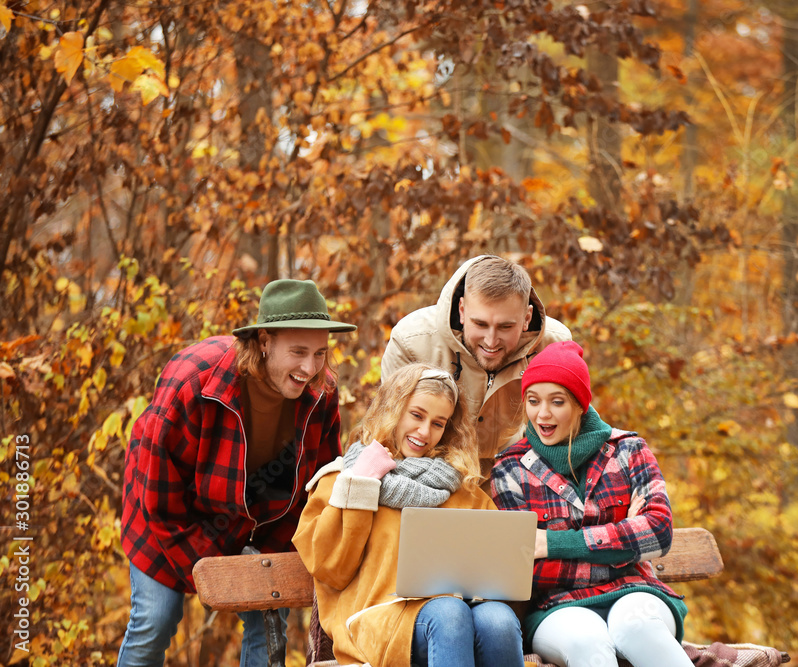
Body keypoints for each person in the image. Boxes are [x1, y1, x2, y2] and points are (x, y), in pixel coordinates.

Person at [118, 279, 356, 667]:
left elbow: (318, 489)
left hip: (256, 526)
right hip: (168, 516)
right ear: (264, 341)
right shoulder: (194, 382)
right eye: (298, 352)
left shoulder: (320, 394)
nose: (309, 368)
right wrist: (215, 569)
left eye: (319, 353)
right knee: (155, 621)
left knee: (269, 622)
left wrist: (275, 560)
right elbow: (160, 499)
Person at [293, 363, 524, 667]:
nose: (425, 432)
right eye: (416, 415)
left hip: (452, 614)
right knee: (448, 615)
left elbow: (498, 569)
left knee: (499, 620)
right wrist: (362, 485)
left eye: (438, 423)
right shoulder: (342, 479)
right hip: (374, 618)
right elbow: (330, 568)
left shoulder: (460, 487)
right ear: (393, 409)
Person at [490, 341, 692, 667]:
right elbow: (521, 564)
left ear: (580, 404)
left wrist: (553, 543)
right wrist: (622, 544)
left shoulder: (628, 450)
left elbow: (658, 533)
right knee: (589, 641)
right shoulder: (510, 469)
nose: (542, 414)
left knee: (637, 628)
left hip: (635, 591)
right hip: (557, 607)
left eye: (557, 402)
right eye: (533, 401)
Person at [382, 255, 572, 471]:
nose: (491, 341)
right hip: (430, 468)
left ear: (527, 318)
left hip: (515, 472)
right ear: (462, 310)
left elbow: (570, 427)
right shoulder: (411, 341)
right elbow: (390, 429)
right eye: (480, 324)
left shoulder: (555, 347)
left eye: (505, 327)